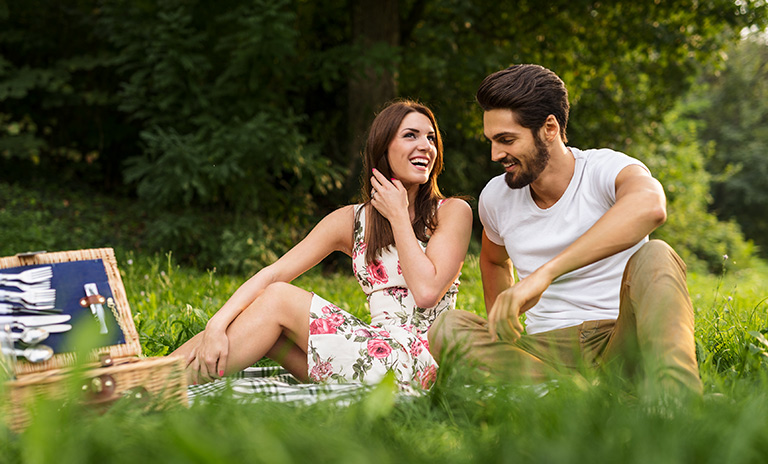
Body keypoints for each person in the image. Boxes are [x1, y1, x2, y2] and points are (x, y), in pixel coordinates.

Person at [428, 64, 702, 397]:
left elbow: (650, 206)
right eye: (491, 141)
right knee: (447, 328)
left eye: (506, 140)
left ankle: (677, 401)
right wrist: (504, 319)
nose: (495, 154)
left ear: (549, 128)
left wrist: (544, 275)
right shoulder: (496, 197)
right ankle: (580, 397)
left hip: (621, 337)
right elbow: (494, 261)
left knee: (657, 254)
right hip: (544, 352)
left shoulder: (605, 169)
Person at [172, 100, 473, 391]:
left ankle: (153, 384)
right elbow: (274, 273)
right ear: (383, 147)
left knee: (278, 299)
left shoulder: (452, 212)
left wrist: (397, 215)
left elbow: (427, 292)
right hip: (370, 354)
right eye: (411, 135)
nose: (426, 146)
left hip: (420, 363)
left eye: (431, 138)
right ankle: (151, 376)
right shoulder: (352, 220)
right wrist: (215, 324)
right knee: (264, 324)